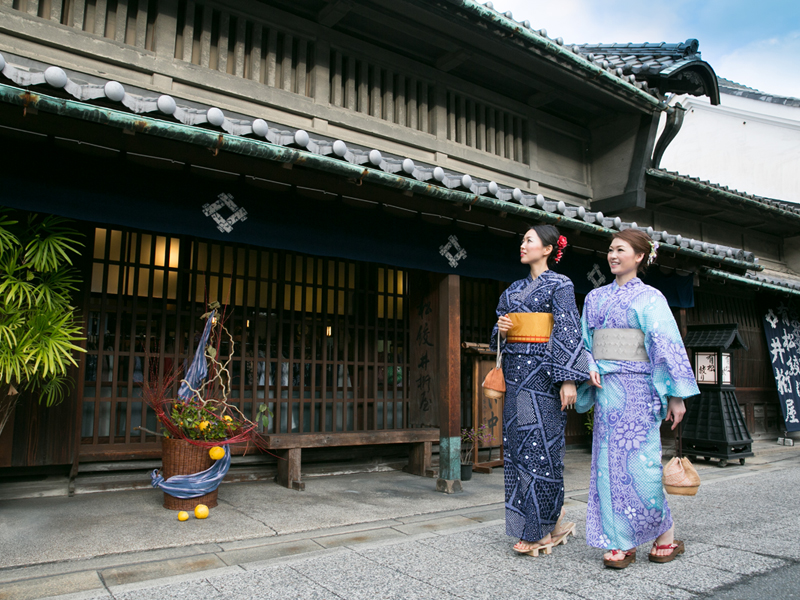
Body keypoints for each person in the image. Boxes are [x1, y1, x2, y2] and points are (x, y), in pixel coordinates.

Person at [577, 229, 700, 569]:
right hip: (607, 391)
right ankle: (621, 540)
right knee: (608, 468)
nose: (613, 255)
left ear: (640, 256)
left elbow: (666, 345)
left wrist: (675, 396)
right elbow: (584, 341)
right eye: (610, 250)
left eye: (621, 249)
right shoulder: (595, 298)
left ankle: (665, 535)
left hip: (639, 391)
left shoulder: (651, 298)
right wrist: (589, 365)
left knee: (641, 466)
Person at [492, 224, 590, 556]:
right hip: (516, 378)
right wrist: (501, 329)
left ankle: (541, 530)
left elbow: (568, 329)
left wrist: (568, 379)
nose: (522, 245)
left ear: (547, 249)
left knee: (543, 452)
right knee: (519, 451)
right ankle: (547, 521)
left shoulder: (561, 284)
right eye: (522, 240)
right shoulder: (513, 290)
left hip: (545, 377)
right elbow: (498, 334)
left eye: (529, 240)